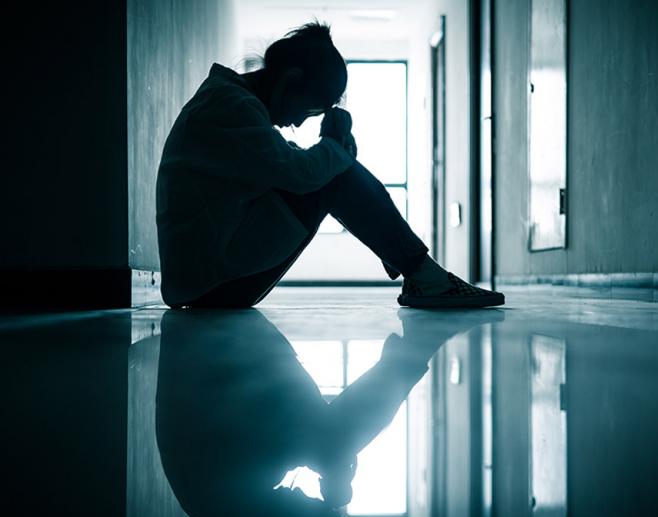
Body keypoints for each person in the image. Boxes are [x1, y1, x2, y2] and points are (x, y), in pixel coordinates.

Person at [155, 22, 504, 309]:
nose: (300, 122)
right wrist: (336, 149)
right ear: (289, 82)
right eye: (310, 110)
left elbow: (283, 167)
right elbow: (299, 174)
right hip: (210, 286)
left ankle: (417, 270)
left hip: (207, 279)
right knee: (335, 177)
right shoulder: (231, 107)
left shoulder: (231, 103)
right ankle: (425, 277)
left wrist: (335, 155)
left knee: (333, 170)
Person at [155, 307, 503, 517]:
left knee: (331, 447)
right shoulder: (233, 512)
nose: (307, 496)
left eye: (313, 509)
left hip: (215, 342)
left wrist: (335, 469)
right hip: (216, 342)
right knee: (329, 449)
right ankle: (408, 355)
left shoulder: (226, 507)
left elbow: (307, 442)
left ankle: (415, 350)